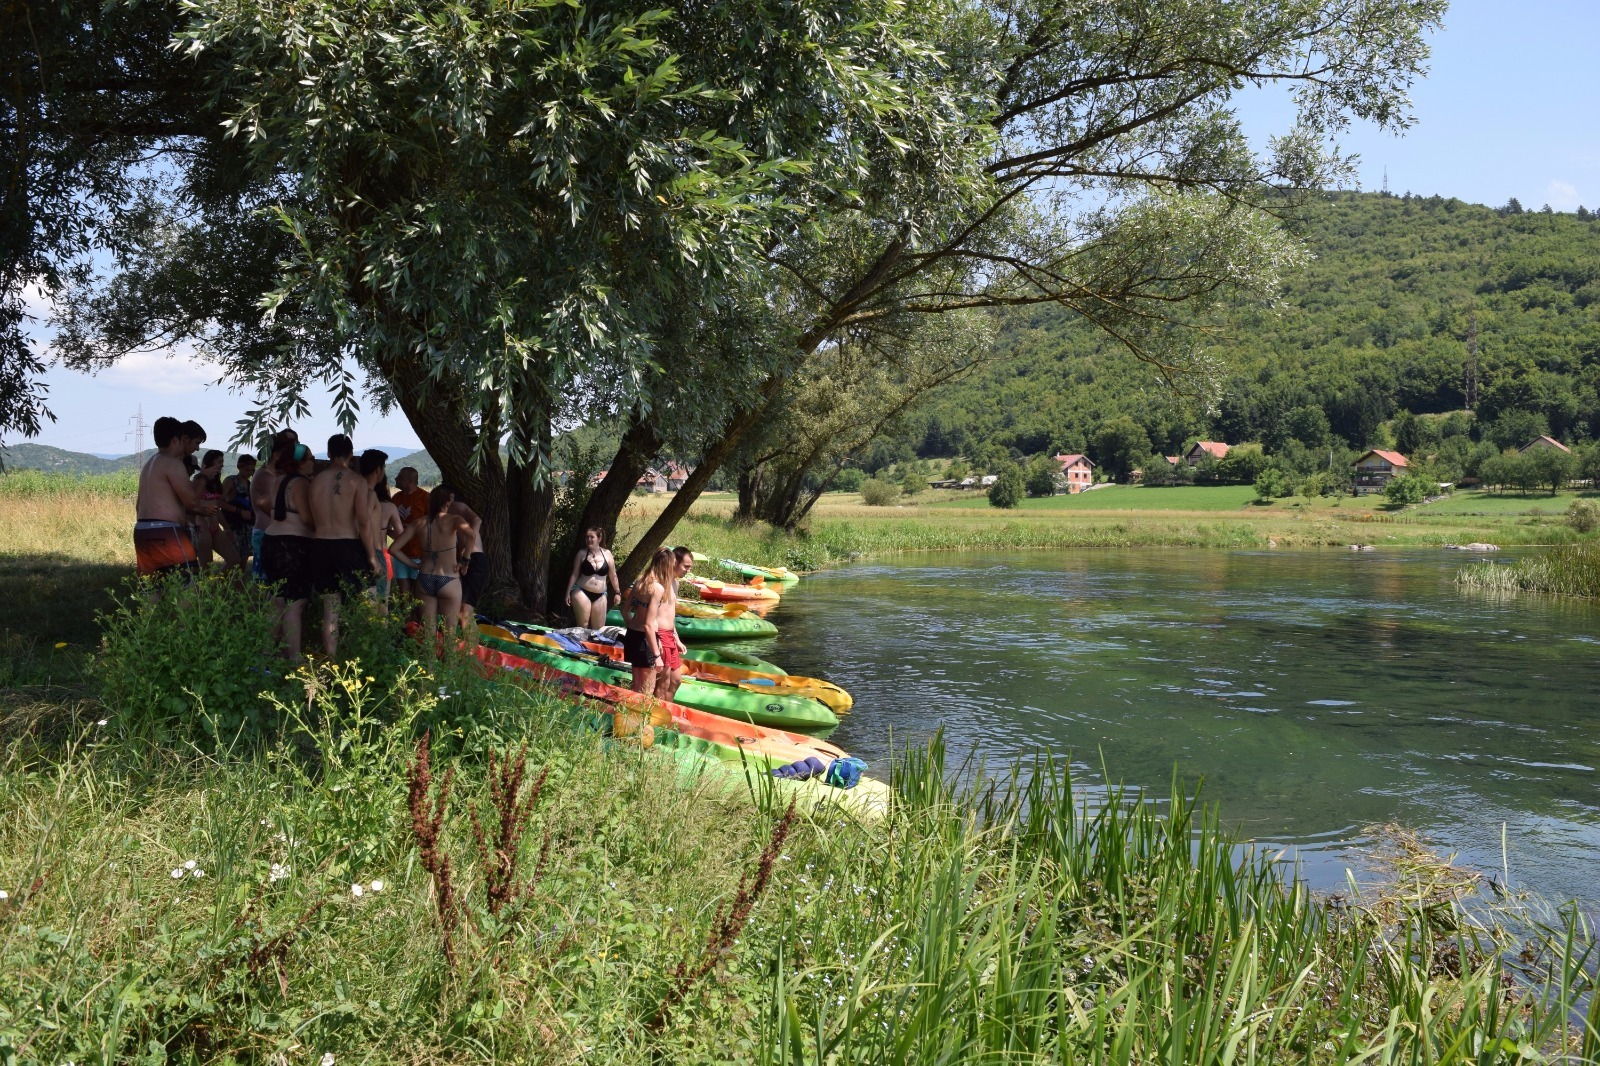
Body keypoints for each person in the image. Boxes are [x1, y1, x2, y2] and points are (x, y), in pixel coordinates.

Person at [308, 434, 379, 658]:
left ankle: (332, 658)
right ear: (351, 453)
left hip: (320, 545)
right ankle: (368, 653)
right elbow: (364, 521)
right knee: (368, 601)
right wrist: (372, 557)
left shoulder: (315, 482)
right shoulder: (356, 481)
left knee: (331, 607)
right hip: (347, 543)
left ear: (328, 453)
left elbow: (311, 518)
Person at [390, 485, 474, 641]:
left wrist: (413, 565)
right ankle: (449, 664)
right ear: (448, 502)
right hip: (449, 579)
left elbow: (393, 549)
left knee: (428, 634)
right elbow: (471, 535)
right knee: (450, 635)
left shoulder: (418, 523)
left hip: (425, 579)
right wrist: (465, 559)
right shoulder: (455, 520)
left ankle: (429, 665)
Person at [133, 416, 214, 577]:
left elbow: (139, 504)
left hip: (142, 530)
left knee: (152, 589)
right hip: (165, 532)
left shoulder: (149, 464)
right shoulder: (173, 463)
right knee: (187, 587)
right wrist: (207, 509)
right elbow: (191, 502)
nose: (196, 449)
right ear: (178, 439)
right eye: (195, 443)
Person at [260, 442, 316, 661]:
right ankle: (294, 657)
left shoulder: (277, 480)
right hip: (293, 545)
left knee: (276, 600)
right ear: (300, 462)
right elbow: (307, 517)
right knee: (296, 602)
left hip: (271, 540)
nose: (313, 463)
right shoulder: (300, 483)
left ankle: (267, 653)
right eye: (310, 458)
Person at [621, 548, 674, 695]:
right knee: (647, 691)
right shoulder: (657, 588)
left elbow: (625, 610)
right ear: (666, 565)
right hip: (645, 640)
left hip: (632, 636)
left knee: (636, 687)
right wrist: (657, 656)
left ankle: (628, 717)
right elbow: (649, 625)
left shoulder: (640, 582)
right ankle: (639, 718)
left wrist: (631, 624)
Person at [251, 429, 298, 580]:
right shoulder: (265, 475)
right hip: (265, 533)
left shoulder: (277, 474)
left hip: (274, 533)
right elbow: (273, 508)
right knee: (266, 583)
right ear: (278, 452)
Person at [358, 449, 400, 609]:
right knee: (381, 603)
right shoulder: (385, 504)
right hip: (378, 553)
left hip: (354, 551)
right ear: (378, 470)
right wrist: (385, 530)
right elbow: (400, 533)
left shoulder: (353, 494)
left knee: (361, 604)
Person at [653, 545, 695, 700]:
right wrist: (656, 638)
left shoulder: (675, 584)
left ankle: (667, 711)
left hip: (670, 635)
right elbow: (652, 615)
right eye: (686, 566)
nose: (687, 570)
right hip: (660, 635)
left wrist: (677, 639)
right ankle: (655, 715)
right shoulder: (659, 583)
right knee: (662, 682)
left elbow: (670, 614)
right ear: (674, 562)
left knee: (676, 680)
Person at [190, 449, 240, 569]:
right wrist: (208, 503)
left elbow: (217, 508)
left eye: (222, 462)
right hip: (202, 527)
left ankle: (219, 584)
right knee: (207, 567)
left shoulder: (216, 482)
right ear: (209, 463)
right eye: (219, 462)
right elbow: (191, 503)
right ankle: (209, 586)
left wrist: (227, 528)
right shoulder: (200, 479)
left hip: (215, 527)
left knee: (235, 560)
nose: (221, 465)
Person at [444, 488, 486, 628]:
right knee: (456, 610)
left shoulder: (456, 506)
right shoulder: (441, 513)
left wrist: (467, 550)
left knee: (464, 613)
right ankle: (463, 645)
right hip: (461, 562)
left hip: (473, 559)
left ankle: (471, 649)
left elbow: (477, 520)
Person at [566, 526, 620, 630]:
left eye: (592, 537)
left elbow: (613, 575)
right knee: (583, 626)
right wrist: (568, 592)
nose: (589, 539)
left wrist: (618, 592)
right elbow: (574, 574)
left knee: (598, 629)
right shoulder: (581, 554)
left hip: (601, 594)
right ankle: (580, 644)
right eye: (587, 537)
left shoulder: (607, 554)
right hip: (581, 591)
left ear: (599, 539)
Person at [389, 466, 428, 600]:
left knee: (419, 596)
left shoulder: (425, 498)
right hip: (400, 554)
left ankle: (418, 621)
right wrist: (394, 535)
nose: (395, 479)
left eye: (399, 477)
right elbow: (389, 526)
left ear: (409, 481)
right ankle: (406, 620)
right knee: (403, 595)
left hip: (419, 555)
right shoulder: (396, 498)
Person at [220, 454, 257, 568]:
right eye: (247, 469)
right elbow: (220, 502)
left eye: (252, 470)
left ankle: (238, 583)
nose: (250, 473)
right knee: (233, 558)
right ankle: (224, 583)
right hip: (234, 525)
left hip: (247, 525)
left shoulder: (250, 484)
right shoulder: (231, 481)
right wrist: (239, 511)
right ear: (239, 467)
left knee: (244, 557)